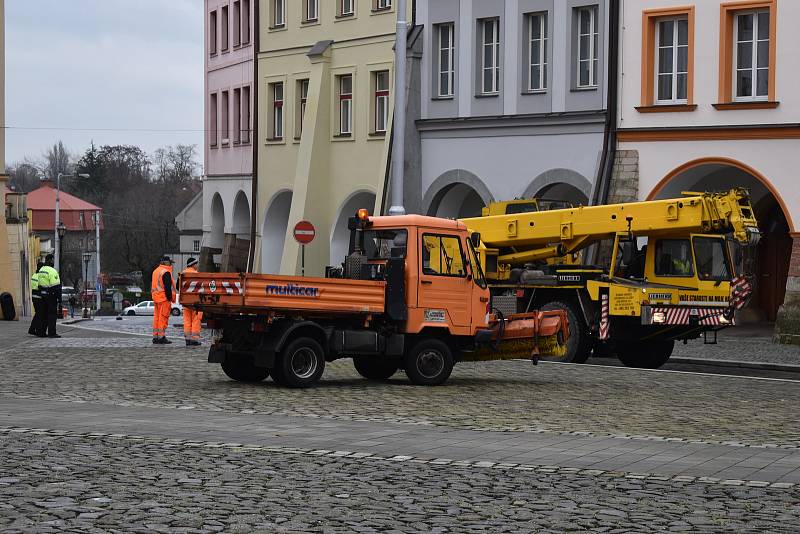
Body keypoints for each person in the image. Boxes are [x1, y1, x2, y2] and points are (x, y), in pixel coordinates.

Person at [151, 255, 176, 345]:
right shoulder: (165, 272)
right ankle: (161, 336)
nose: (171, 265)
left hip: (156, 298)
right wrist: (170, 298)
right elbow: (167, 287)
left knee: (157, 318)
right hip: (164, 298)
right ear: (167, 262)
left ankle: (155, 336)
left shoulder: (155, 271)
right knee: (163, 318)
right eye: (170, 263)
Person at [180, 258, 203, 347]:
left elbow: (179, 287)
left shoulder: (182, 274)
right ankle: (194, 339)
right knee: (195, 320)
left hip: (186, 302)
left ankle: (188, 339)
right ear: (193, 264)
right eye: (196, 264)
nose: (197, 266)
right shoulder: (197, 275)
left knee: (187, 321)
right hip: (196, 302)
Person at [38, 254, 62, 338]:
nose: (53, 262)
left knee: (43, 314)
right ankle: (52, 332)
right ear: (50, 260)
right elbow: (56, 286)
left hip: (42, 295)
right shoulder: (52, 271)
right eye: (52, 260)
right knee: (52, 315)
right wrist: (59, 299)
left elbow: (39, 284)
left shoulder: (41, 270)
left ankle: (41, 332)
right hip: (51, 296)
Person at [28, 262, 46, 337]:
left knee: (37, 314)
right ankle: (38, 331)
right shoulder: (40, 276)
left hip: (34, 297)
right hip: (39, 298)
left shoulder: (34, 275)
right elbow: (42, 287)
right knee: (40, 315)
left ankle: (32, 329)